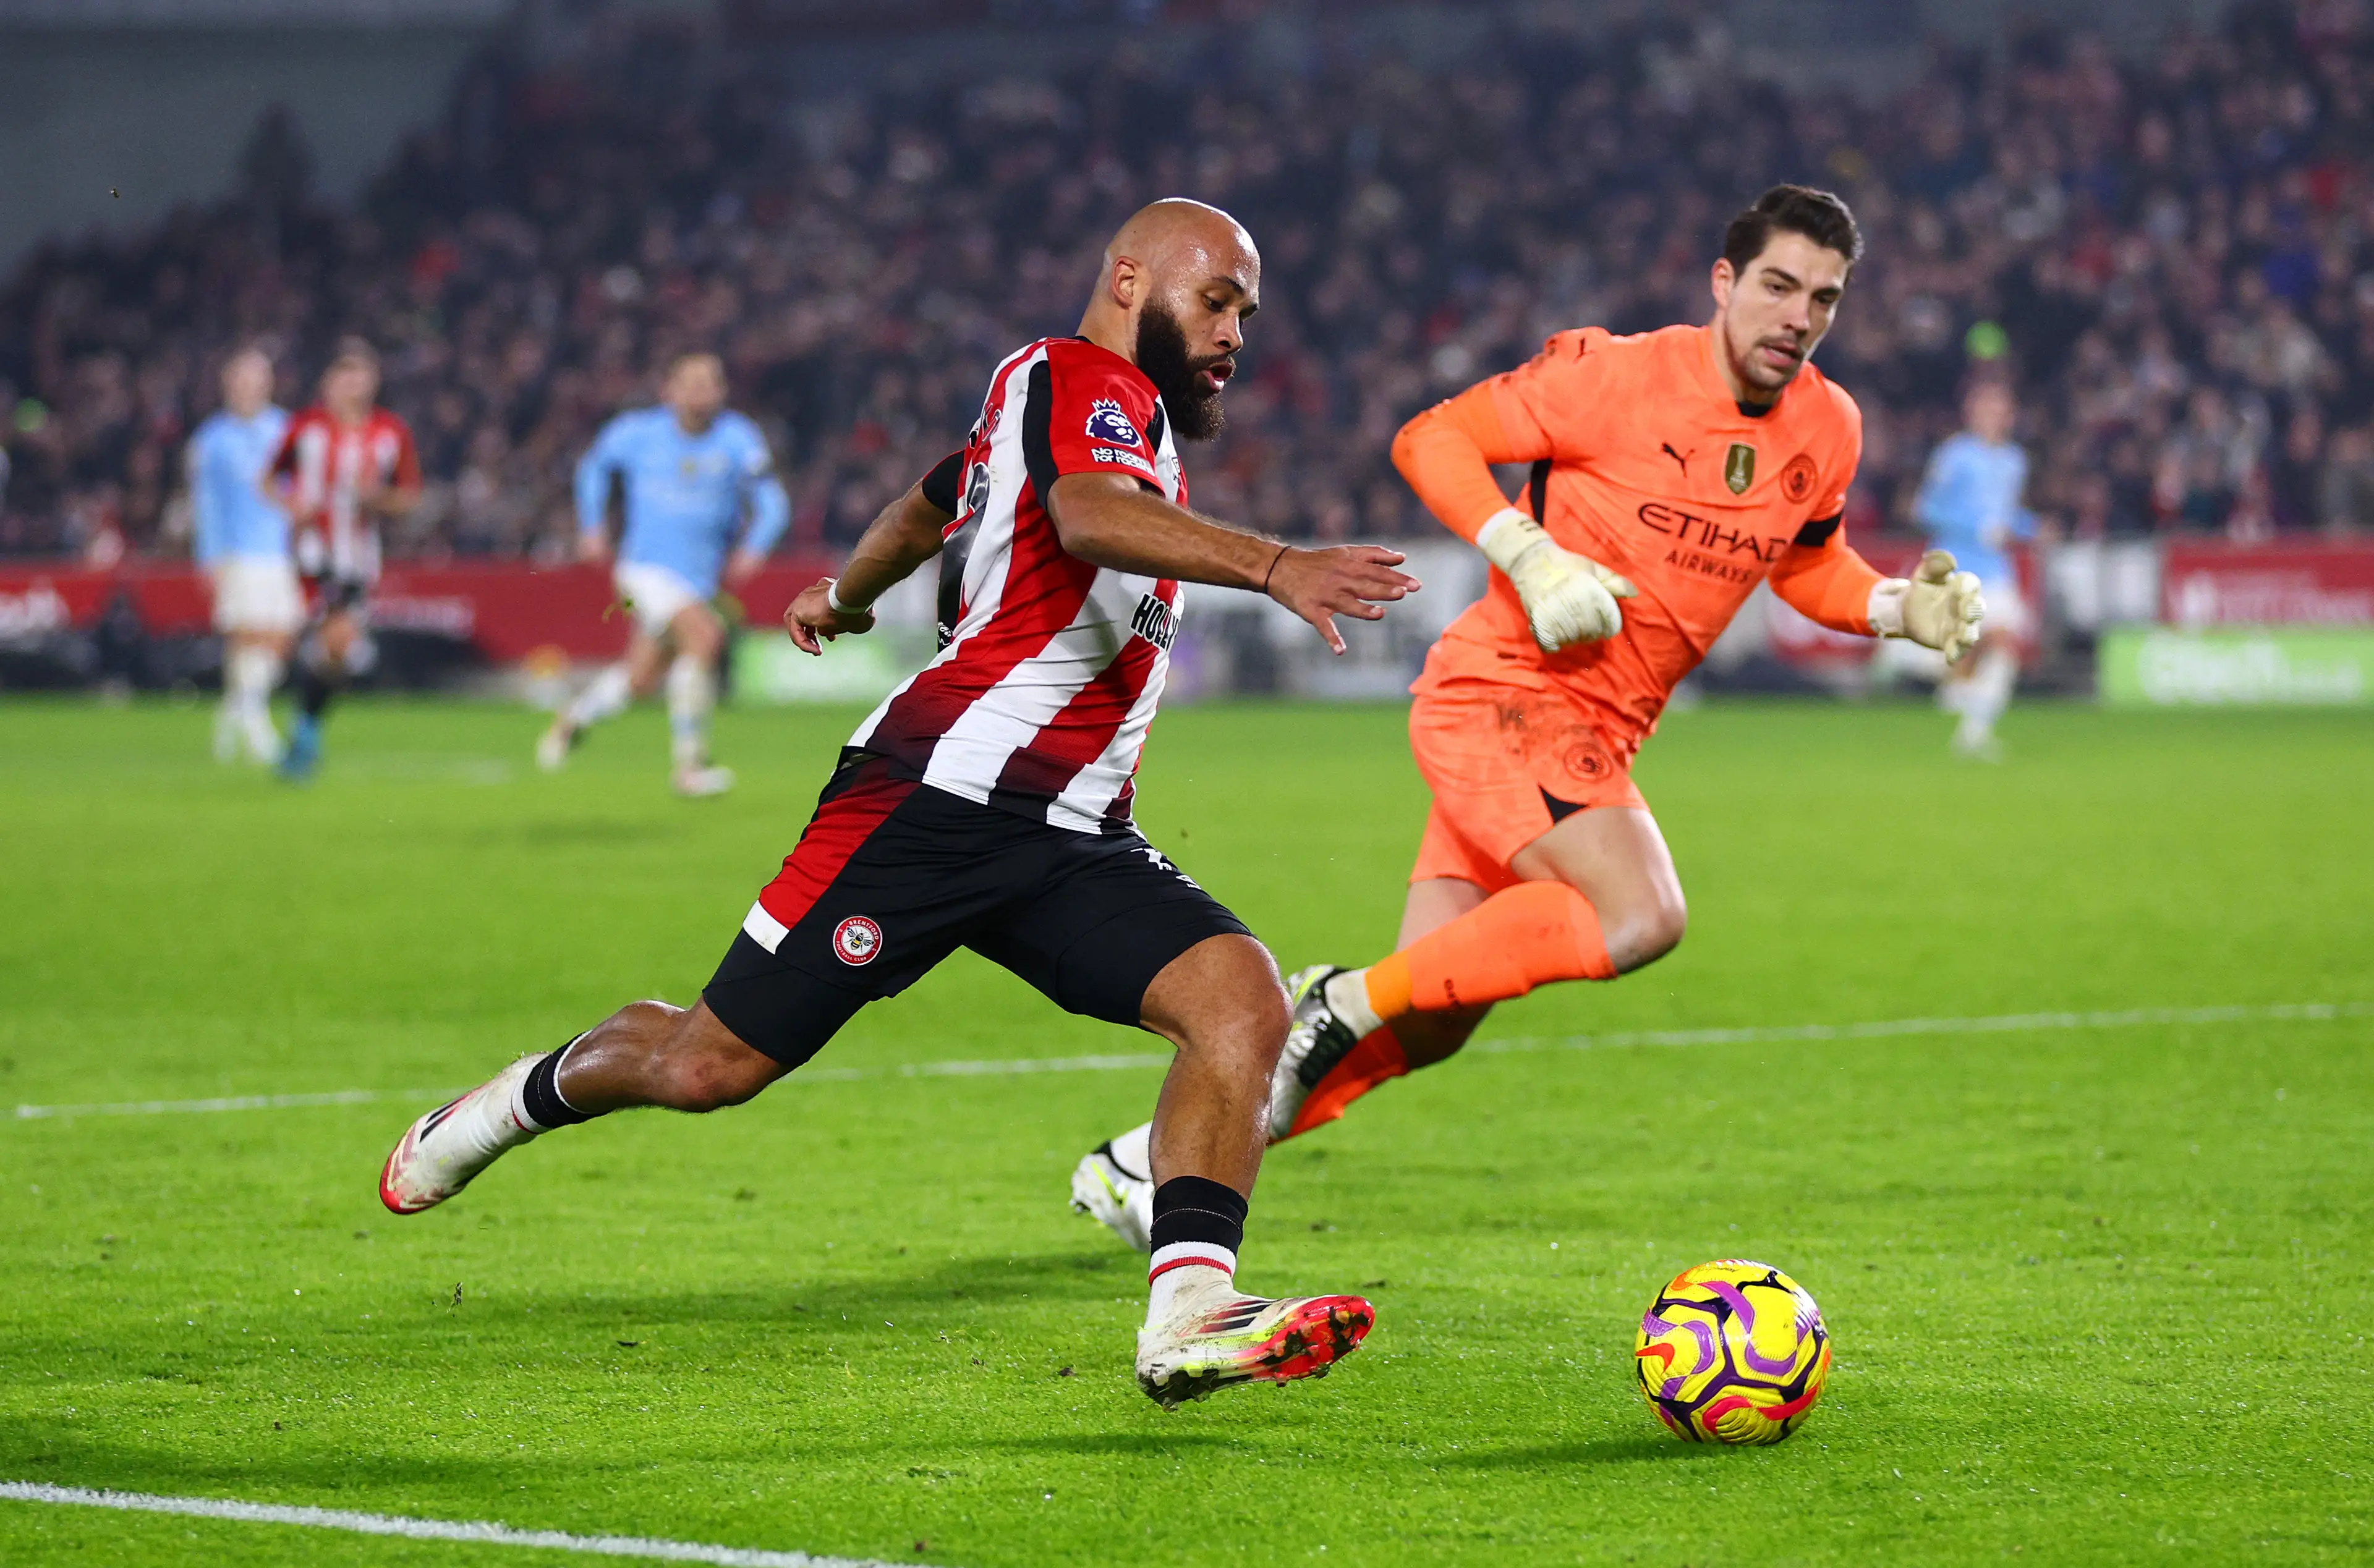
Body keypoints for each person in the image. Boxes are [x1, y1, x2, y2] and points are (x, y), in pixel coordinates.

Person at [378, 200, 1421, 1408]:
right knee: (707, 1064)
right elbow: (1083, 514)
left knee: (1239, 998)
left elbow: (934, 500)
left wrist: (844, 592)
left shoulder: (1110, 423)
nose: (1237, 332)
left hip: (1072, 832)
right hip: (934, 801)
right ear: (1131, 281)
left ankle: (1189, 1309)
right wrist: (1277, 563)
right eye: (1218, 300)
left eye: (1247, 310)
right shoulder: (1072, 377)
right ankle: (505, 1106)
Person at [1071, 186, 1986, 1245]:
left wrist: (1895, 608)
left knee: (1432, 1020)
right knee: (1640, 914)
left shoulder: (1828, 426)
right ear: (1724, 282)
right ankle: (1337, 998)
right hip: (1507, 700)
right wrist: (1529, 551)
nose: (1799, 316)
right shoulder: (1615, 376)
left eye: (1823, 299)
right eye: (1778, 286)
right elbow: (1434, 438)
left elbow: (1809, 562)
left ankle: (1144, 1167)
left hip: (1592, 735)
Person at [540, 354, 791, 796]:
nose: (700, 392)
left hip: (700, 579)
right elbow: (594, 468)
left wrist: (756, 547)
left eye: (709, 383)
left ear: (722, 392)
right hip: (643, 571)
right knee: (705, 636)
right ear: (668, 390)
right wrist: (592, 526)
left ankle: (573, 719)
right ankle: (690, 767)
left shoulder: (738, 438)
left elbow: (773, 502)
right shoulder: (637, 433)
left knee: (641, 679)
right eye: (690, 383)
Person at [265, 339, 420, 781]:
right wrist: (292, 505)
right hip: (313, 552)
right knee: (334, 639)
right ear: (328, 383)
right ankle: (305, 734)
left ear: (373, 382)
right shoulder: (306, 427)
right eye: (344, 376)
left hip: (359, 557)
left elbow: (409, 496)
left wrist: (377, 499)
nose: (352, 385)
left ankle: (304, 725)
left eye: (360, 376)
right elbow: (269, 479)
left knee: (337, 653)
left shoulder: (390, 432)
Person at [1911, 379, 2035, 759]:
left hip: (1996, 569)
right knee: (1974, 647)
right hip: (1956, 565)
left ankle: (1973, 729)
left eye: (2000, 409)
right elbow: (1925, 509)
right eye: (1986, 408)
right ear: (1971, 413)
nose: (1993, 416)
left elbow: (2006, 516)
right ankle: (1925, 669)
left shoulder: (2015, 460)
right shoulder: (1955, 456)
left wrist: (2032, 527)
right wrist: (1976, 529)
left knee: (2006, 644)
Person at [188, 347, 296, 765]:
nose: (249, 388)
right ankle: (255, 722)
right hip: (238, 551)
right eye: (241, 380)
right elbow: (206, 503)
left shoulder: (286, 430)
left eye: (256, 380)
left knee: (282, 633)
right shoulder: (212, 439)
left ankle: (235, 709)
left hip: (282, 548)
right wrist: (209, 556)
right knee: (246, 632)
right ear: (228, 385)